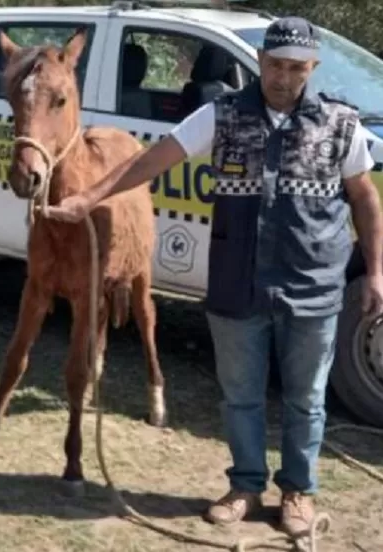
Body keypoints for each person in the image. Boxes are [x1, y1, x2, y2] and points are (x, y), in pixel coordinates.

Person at [40, 17, 383, 537]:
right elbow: (153, 160)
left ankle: (298, 492)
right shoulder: (221, 115)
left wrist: (376, 272)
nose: (283, 77)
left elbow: (364, 198)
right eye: (274, 65)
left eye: (295, 68)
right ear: (260, 63)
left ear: (311, 68)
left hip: (312, 285)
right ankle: (245, 485)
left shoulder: (341, 125)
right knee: (240, 395)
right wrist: (89, 197)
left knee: (306, 398)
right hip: (236, 282)